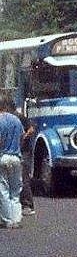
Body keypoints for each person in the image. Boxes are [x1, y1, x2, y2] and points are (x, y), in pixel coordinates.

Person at [0, 94, 24, 229]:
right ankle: (16, 218)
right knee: (16, 189)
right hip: (16, 157)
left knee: (3, 189)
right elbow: (22, 136)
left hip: (2, 157)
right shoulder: (16, 119)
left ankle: (7, 219)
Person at [18, 110, 36, 216]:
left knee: (23, 178)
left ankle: (27, 205)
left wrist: (24, 136)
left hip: (24, 151)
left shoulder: (19, 117)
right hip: (17, 150)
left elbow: (32, 128)